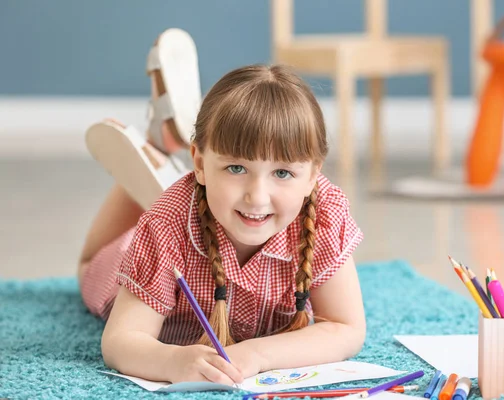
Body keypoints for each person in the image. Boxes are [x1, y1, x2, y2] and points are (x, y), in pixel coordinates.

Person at [78, 63, 366, 385]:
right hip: (130, 257)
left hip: (205, 206)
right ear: (199, 163)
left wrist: (258, 354)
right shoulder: (166, 226)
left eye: (282, 173)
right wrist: (172, 361)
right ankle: (156, 145)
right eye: (236, 168)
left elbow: (346, 327)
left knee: (196, 203)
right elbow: (120, 341)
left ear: (313, 174)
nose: (257, 198)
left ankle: (166, 151)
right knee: (91, 262)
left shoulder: (323, 212)